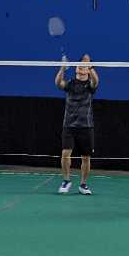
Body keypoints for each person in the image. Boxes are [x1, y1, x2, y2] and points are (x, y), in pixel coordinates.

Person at [55, 54, 99, 195]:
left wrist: (90, 66)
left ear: (88, 69)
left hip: (86, 126)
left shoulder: (90, 85)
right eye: (80, 64)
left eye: (85, 65)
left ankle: (83, 185)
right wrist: (62, 69)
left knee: (86, 158)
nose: (81, 66)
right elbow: (58, 83)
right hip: (69, 124)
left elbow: (96, 81)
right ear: (75, 68)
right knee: (65, 154)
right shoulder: (70, 84)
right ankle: (66, 181)